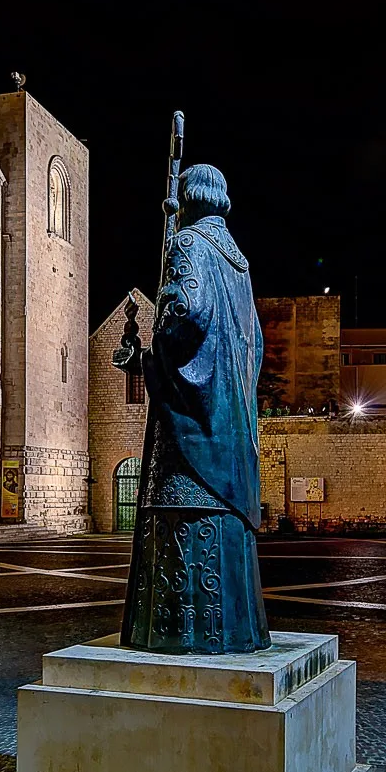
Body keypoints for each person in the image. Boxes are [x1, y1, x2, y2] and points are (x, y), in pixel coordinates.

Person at [112, 163, 269, 653]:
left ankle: (175, 638)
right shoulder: (238, 263)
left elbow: (185, 313)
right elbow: (256, 345)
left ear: (188, 196)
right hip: (231, 427)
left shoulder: (188, 245)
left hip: (190, 443)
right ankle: (239, 634)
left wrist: (148, 360)